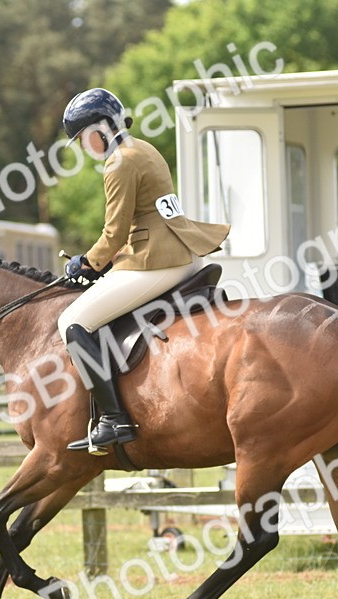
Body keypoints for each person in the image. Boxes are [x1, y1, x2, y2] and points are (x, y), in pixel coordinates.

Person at [57, 88, 230, 454]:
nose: (85, 147)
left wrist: (86, 263)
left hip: (156, 261)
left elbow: (114, 232)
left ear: (101, 128)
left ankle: (114, 419)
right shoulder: (142, 148)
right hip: (178, 254)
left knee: (72, 322)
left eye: (85, 137)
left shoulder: (119, 162)